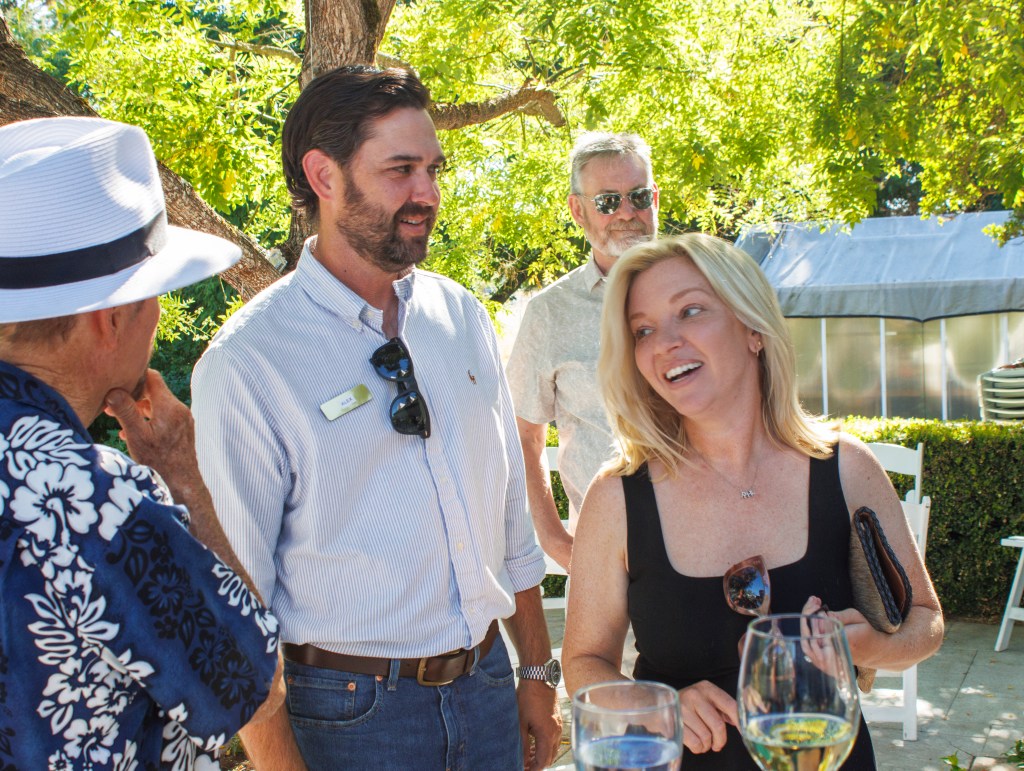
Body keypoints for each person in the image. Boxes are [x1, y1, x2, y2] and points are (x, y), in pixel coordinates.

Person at [190, 65, 562, 770]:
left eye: (432, 169)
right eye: (400, 170)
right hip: (348, 715)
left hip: (487, 687)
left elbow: (511, 515)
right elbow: (236, 609)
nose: (427, 194)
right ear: (323, 176)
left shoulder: (462, 317)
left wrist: (535, 674)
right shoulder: (248, 364)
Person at [562, 234, 944, 768]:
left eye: (690, 311)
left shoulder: (846, 467)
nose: (662, 342)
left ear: (753, 330)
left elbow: (925, 621)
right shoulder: (618, 496)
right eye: (642, 330)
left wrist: (865, 647)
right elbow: (583, 661)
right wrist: (657, 706)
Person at [0, 116, 290, 770]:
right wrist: (183, 476)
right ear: (108, 319)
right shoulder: (94, 500)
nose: (160, 315)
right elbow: (252, 686)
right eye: (154, 294)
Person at [506, 132, 659, 569]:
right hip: (603, 555)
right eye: (608, 201)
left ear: (656, 198)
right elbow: (522, 436)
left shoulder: (705, 293)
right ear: (578, 210)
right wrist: (556, 541)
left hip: (710, 549)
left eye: (639, 196)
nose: (627, 213)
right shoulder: (550, 313)